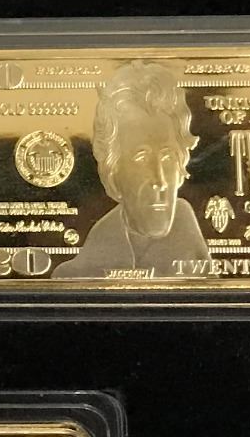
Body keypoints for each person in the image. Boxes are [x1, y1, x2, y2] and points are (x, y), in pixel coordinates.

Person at [55, 59, 210, 277]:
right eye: (141, 158)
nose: (160, 181)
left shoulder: (193, 244)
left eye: (168, 157)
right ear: (112, 171)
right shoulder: (76, 272)